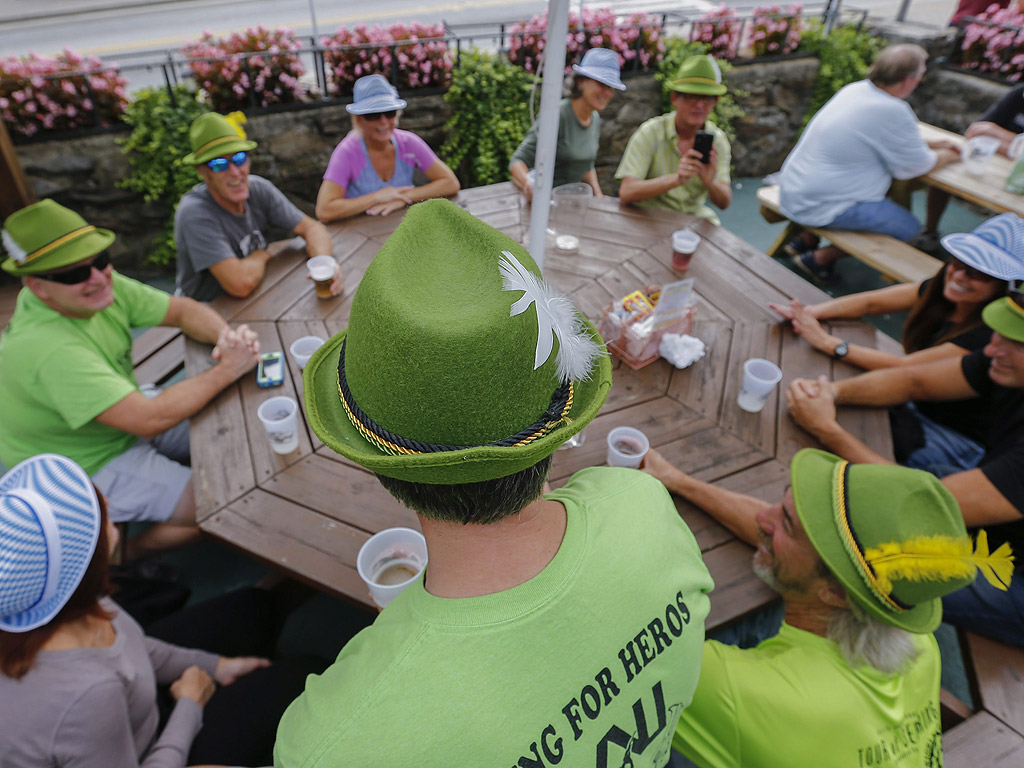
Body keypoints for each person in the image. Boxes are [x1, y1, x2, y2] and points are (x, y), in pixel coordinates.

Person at [274, 199, 714, 766]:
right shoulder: (641, 502)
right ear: (559, 420)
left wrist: (409, 645)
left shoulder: (330, 741)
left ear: (373, 460)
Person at [640, 447, 1011, 768]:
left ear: (835, 593)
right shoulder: (920, 644)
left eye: (784, 523)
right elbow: (805, 543)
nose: (762, 520)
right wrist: (678, 480)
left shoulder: (739, 690)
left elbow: (617, 626)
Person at [0, 453, 331, 768]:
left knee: (252, 609)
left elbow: (130, 647)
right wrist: (190, 704)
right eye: (99, 513)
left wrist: (215, 665)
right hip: (149, 748)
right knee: (309, 676)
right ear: (85, 569)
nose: (109, 505)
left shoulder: (62, 598)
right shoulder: (86, 696)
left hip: (134, 704)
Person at [0, 200, 260, 559]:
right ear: (37, 286)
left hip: (117, 416)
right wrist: (230, 367)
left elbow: (183, 310)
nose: (96, 276)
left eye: (100, 259)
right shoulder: (48, 349)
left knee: (244, 419)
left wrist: (225, 338)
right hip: (82, 463)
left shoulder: (97, 284)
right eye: (74, 274)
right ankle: (122, 555)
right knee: (225, 501)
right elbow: (148, 419)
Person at [785, 288, 1024, 645]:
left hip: (1011, 572)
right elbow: (916, 381)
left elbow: (919, 503)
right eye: (1000, 333)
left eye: (1017, 344)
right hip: (990, 510)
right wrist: (832, 394)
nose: (991, 349)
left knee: (837, 562)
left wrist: (827, 429)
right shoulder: (1002, 365)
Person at [772, 214, 1024, 458]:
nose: (959, 275)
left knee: (818, 430)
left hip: (952, 434)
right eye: (958, 261)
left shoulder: (990, 336)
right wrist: (809, 313)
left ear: (1003, 287)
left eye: (978, 273)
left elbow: (909, 371)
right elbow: (871, 303)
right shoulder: (940, 288)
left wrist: (830, 343)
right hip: (913, 399)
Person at [778, 44, 960, 282]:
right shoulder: (893, 109)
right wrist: (954, 154)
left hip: (795, 190)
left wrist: (934, 144)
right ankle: (820, 258)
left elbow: (886, 136)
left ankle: (805, 239)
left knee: (880, 206)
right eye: (919, 75)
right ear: (908, 80)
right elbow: (914, 168)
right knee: (910, 229)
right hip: (822, 204)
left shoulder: (855, 90)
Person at [174, 111, 343, 302]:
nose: (235, 172)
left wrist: (326, 264)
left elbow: (313, 228)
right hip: (206, 308)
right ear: (202, 172)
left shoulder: (258, 189)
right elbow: (240, 283)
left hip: (257, 294)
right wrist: (263, 254)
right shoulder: (194, 213)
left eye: (239, 158)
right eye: (219, 164)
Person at [315, 74, 460, 222]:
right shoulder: (347, 152)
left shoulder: (409, 143)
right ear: (359, 119)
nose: (383, 122)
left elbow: (450, 183)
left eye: (390, 113)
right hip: (358, 234)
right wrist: (377, 197)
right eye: (373, 115)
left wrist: (404, 197)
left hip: (401, 226)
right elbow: (324, 210)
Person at [616, 54, 733, 224]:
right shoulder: (650, 132)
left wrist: (710, 182)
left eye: (706, 98)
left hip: (694, 223)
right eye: (692, 97)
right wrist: (675, 179)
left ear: (715, 102)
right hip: (649, 219)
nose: (699, 105)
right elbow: (626, 192)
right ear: (674, 98)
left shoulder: (718, 141)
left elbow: (724, 202)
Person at [509, 47, 626, 200]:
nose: (608, 93)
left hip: (570, 203)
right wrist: (529, 185)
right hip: (541, 204)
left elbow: (586, 166)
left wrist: (599, 197)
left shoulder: (595, 118)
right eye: (602, 84)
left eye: (611, 87)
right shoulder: (557, 115)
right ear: (581, 81)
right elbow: (518, 161)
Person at [920, 85, 1024, 244]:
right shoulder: (1019, 93)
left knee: (1010, 213)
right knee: (944, 177)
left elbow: (989, 129)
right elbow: (977, 129)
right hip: (990, 162)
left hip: (1016, 179)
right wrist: (1013, 144)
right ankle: (929, 232)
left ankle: (989, 252)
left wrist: (997, 133)